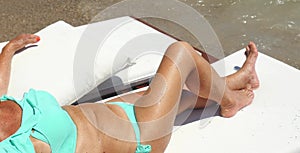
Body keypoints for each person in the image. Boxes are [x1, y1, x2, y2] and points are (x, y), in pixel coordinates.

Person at [0, 34, 259, 153]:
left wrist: (8, 50)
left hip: (117, 114)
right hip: (138, 138)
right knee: (180, 53)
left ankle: (236, 80)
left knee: (174, 92)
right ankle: (230, 102)